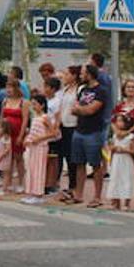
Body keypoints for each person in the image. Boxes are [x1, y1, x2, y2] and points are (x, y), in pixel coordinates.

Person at [69, 64, 109, 208]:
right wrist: (81, 109)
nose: (81, 75)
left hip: (94, 132)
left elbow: (91, 110)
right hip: (79, 130)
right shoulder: (83, 90)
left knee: (95, 165)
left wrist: (80, 109)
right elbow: (74, 109)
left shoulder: (101, 91)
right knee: (79, 163)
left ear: (90, 74)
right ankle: (79, 194)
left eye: (83, 73)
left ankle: (97, 197)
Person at [113, 78, 134, 210]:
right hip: (120, 139)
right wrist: (117, 132)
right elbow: (113, 120)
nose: (130, 89)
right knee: (119, 168)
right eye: (128, 87)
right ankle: (117, 197)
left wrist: (127, 132)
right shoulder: (119, 106)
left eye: (133, 87)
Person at [20, 92, 57, 203]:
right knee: (31, 169)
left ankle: (38, 194)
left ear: (42, 105)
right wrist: (27, 139)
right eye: (33, 104)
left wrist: (40, 139)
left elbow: (53, 133)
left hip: (41, 147)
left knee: (38, 170)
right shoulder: (35, 117)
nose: (33, 107)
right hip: (33, 147)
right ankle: (31, 192)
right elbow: (32, 132)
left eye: (35, 104)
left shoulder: (45, 118)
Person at [0, 78, 29, 194]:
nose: (8, 90)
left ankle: (21, 182)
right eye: (7, 87)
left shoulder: (24, 102)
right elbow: (1, 116)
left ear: (16, 88)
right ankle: (7, 182)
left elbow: (25, 120)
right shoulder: (5, 101)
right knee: (7, 159)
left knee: (18, 158)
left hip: (17, 132)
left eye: (11, 87)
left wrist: (21, 135)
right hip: (6, 134)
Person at [105, 113, 134, 211]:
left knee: (126, 179)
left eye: (121, 121)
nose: (119, 123)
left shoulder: (131, 137)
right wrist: (113, 148)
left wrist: (124, 150)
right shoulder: (115, 136)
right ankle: (115, 201)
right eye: (117, 121)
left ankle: (127, 203)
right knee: (115, 179)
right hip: (116, 160)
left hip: (126, 160)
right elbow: (110, 146)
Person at [56, 65, 79, 202]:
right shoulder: (64, 90)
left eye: (67, 74)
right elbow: (61, 108)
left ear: (74, 76)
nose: (65, 77)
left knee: (72, 157)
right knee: (63, 155)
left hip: (73, 125)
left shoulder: (78, 90)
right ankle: (64, 185)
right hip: (63, 125)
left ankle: (73, 186)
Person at [41, 76, 63, 193]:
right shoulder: (44, 100)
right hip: (43, 133)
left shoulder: (57, 101)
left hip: (52, 134)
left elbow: (57, 117)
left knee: (53, 159)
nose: (44, 89)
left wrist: (54, 129)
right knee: (45, 159)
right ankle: (44, 182)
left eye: (47, 87)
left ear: (53, 89)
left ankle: (52, 183)